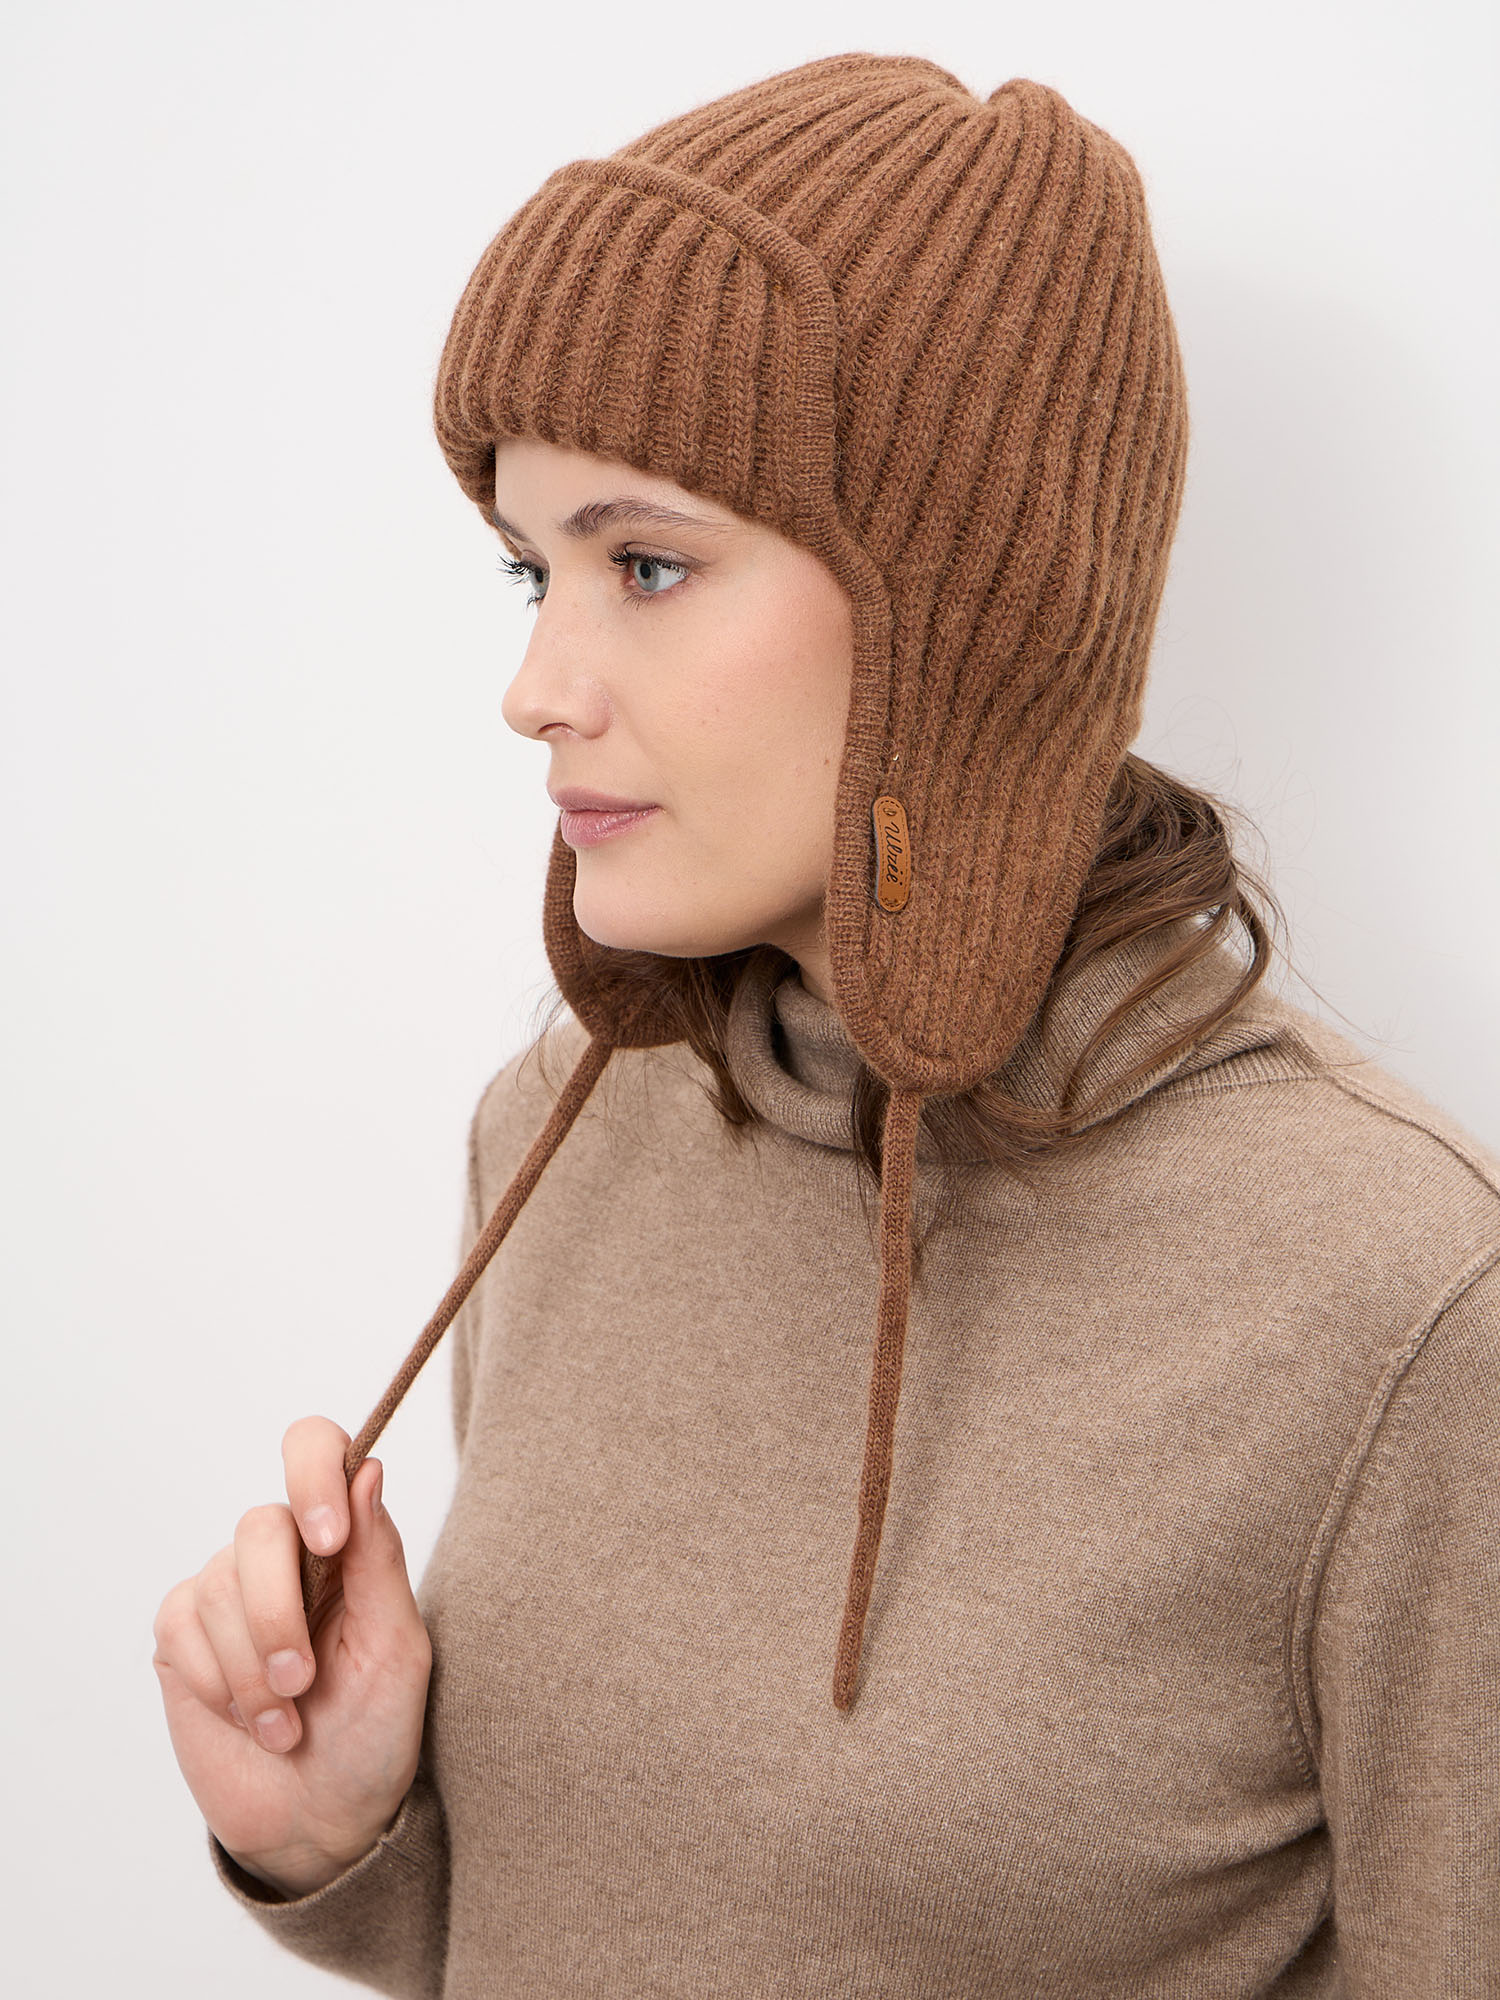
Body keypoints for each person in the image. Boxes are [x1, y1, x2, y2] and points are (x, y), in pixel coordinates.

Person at [151, 50, 1500, 1998]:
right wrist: (348, 1839)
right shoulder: (561, 1127)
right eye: (532, 570)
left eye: (647, 563)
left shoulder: (1395, 1304)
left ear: (962, 609)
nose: (537, 683)